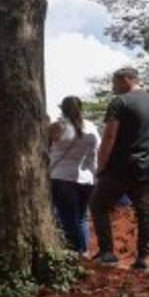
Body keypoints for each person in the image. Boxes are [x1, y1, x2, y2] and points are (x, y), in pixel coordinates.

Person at [90, 67, 149, 270]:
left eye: (115, 83)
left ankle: (107, 253)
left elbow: (109, 136)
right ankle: (143, 259)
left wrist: (101, 165)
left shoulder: (120, 102)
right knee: (145, 210)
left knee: (98, 205)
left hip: (120, 165)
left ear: (126, 80)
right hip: (147, 164)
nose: (113, 88)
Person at [49, 96, 101, 256]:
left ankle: (77, 253)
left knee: (68, 220)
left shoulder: (58, 126)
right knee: (81, 218)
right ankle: (84, 252)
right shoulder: (91, 127)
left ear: (62, 109)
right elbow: (96, 151)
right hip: (87, 179)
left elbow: (43, 147)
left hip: (61, 178)